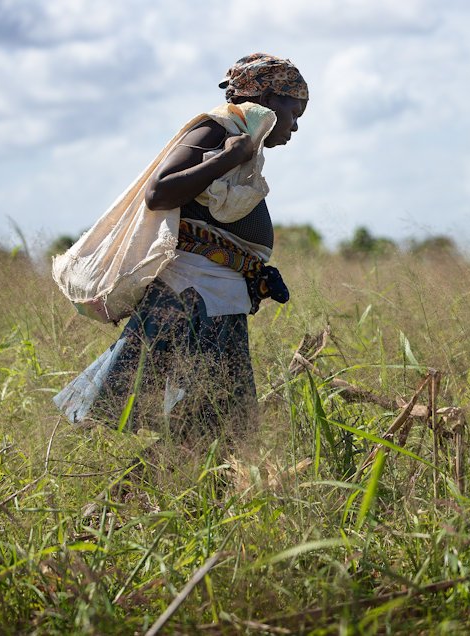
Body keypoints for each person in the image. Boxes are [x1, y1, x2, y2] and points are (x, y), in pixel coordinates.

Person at [54, 53, 308, 446]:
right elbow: (159, 192)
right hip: (190, 297)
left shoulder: (244, 146)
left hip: (215, 299)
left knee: (215, 430)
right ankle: (122, 502)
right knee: (213, 428)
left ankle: (138, 500)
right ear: (270, 100)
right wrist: (227, 156)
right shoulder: (217, 131)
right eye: (294, 113)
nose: (294, 127)